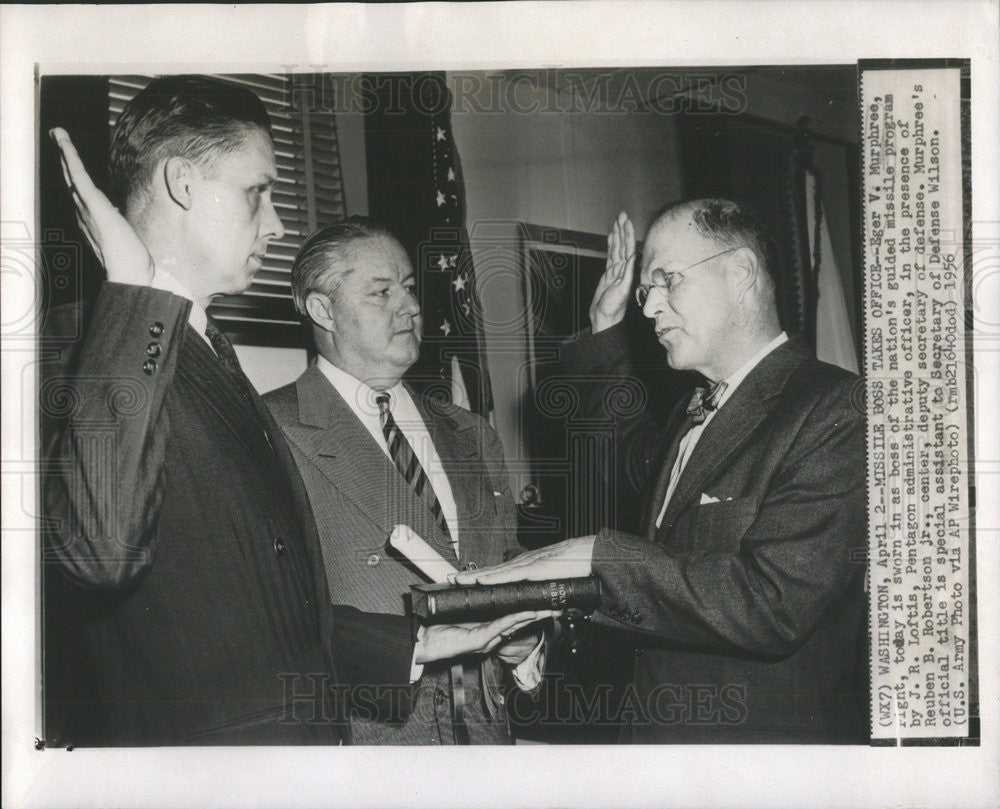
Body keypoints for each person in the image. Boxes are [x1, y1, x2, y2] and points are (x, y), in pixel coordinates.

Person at [41, 77, 538, 746]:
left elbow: (268, 608)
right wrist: (133, 291)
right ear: (184, 183)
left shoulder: (208, 352)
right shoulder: (79, 344)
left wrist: (421, 641)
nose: (276, 223)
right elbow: (101, 548)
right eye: (257, 193)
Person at [454, 201, 868, 744]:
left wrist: (595, 555)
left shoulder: (834, 408)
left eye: (667, 282)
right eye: (646, 291)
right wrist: (604, 326)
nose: (649, 308)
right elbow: (624, 466)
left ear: (739, 273)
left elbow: (773, 604)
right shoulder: (696, 407)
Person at [264, 218, 549, 744]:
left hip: (488, 741)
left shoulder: (470, 432)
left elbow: (510, 562)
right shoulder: (270, 432)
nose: (411, 307)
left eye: (410, 287)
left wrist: (528, 644)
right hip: (371, 743)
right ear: (322, 309)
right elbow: (269, 615)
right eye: (381, 292)